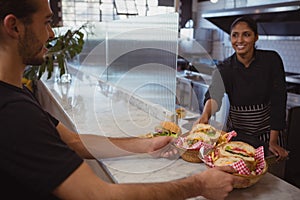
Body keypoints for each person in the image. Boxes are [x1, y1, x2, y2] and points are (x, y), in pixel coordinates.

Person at [0, 0, 248, 199]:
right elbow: (97, 195)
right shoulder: (13, 112)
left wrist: (144, 144)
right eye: (46, 22)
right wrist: (198, 185)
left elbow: (75, 142)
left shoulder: (17, 93)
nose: (52, 33)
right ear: (14, 27)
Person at [195, 16, 289, 161]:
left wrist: (273, 141)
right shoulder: (225, 68)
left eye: (246, 34)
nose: (239, 40)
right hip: (238, 135)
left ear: (256, 37)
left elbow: (279, 101)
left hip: (268, 134)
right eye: (235, 35)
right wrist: (205, 116)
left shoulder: (271, 61)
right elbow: (214, 96)